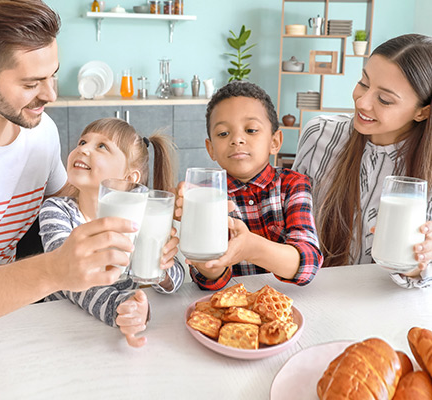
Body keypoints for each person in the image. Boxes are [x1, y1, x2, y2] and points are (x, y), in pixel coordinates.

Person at [0, 0, 141, 326]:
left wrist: (150, 212)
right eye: (31, 84)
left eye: (53, 76)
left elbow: (76, 202)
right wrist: (53, 269)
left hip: (14, 319)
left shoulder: (42, 131)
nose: (50, 95)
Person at [292, 33, 432, 289]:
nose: (362, 101)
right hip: (309, 295)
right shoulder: (319, 134)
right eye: (363, 83)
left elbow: (423, 279)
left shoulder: (428, 169)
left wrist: (414, 262)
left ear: (423, 111)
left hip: (386, 309)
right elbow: (289, 223)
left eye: (385, 99)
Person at [39, 118, 184, 347]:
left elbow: (175, 281)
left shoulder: (142, 214)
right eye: (82, 141)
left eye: (101, 146)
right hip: (57, 330)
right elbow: (70, 279)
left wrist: (162, 268)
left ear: (129, 178)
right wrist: (120, 307)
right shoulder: (57, 211)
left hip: (105, 334)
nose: (83, 149)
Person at [180, 81, 323, 290]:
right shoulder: (206, 195)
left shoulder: (293, 185)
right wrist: (206, 260)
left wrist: (250, 248)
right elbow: (211, 279)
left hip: (286, 306)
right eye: (223, 133)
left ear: (274, 141)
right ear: (210, 148)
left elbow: (307, 264)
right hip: (231, 309)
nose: (237, 139)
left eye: (251, 130)